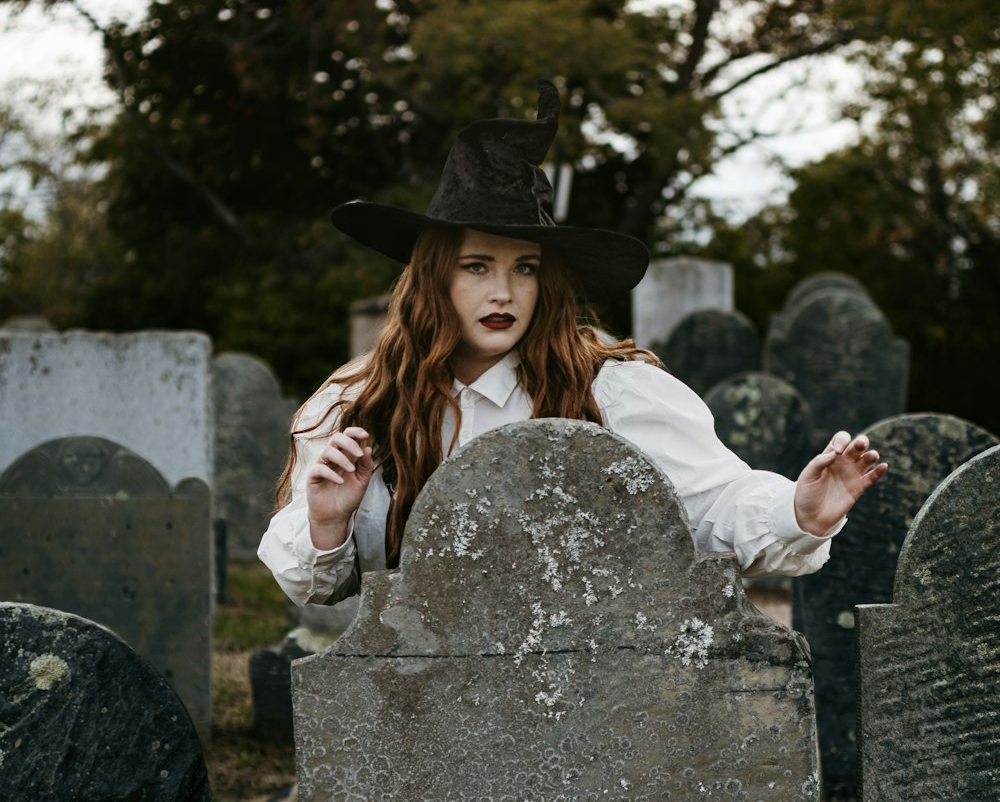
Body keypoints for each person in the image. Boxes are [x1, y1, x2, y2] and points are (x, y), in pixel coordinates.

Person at [258, 81, 887, 607]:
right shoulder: (361, 405)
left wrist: (798, 511)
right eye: (477, 266)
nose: (503, 292)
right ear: (434, 279)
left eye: (524, 268)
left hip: (586, 691)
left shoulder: (611, 394)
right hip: (424, 699)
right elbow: (311, 584)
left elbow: (716, 504)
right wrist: (327, 520)